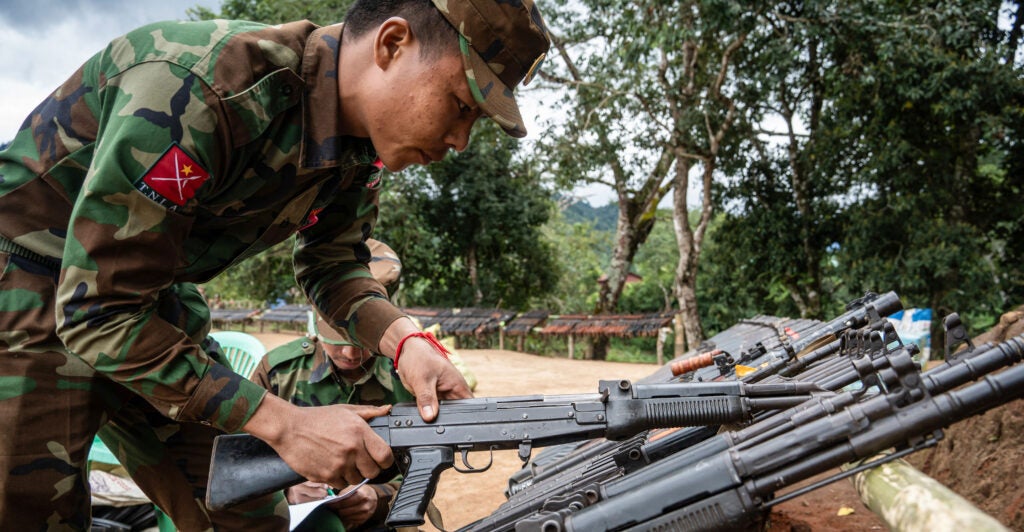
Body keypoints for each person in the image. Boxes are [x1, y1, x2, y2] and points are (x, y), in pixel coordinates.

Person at [0, 0, 551, 529]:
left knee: (245, 513)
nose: (460, 139)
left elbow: (332, 263)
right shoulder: (204, 90)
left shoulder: (357, 151)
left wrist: (405, 341)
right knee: (28, 513)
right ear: (392, 43)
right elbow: (97, 308)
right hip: (23, 289)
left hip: (147, 301)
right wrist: (284, 423)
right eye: (460, 105)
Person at [251, 239, 420, 531]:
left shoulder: (410, 378)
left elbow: (422, 471)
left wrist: (377, 498)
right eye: (337, 340)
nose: (351, 354)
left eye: (363, 342)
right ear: (316, 320)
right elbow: (243, 460)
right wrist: (286, 492)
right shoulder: (279, 372)